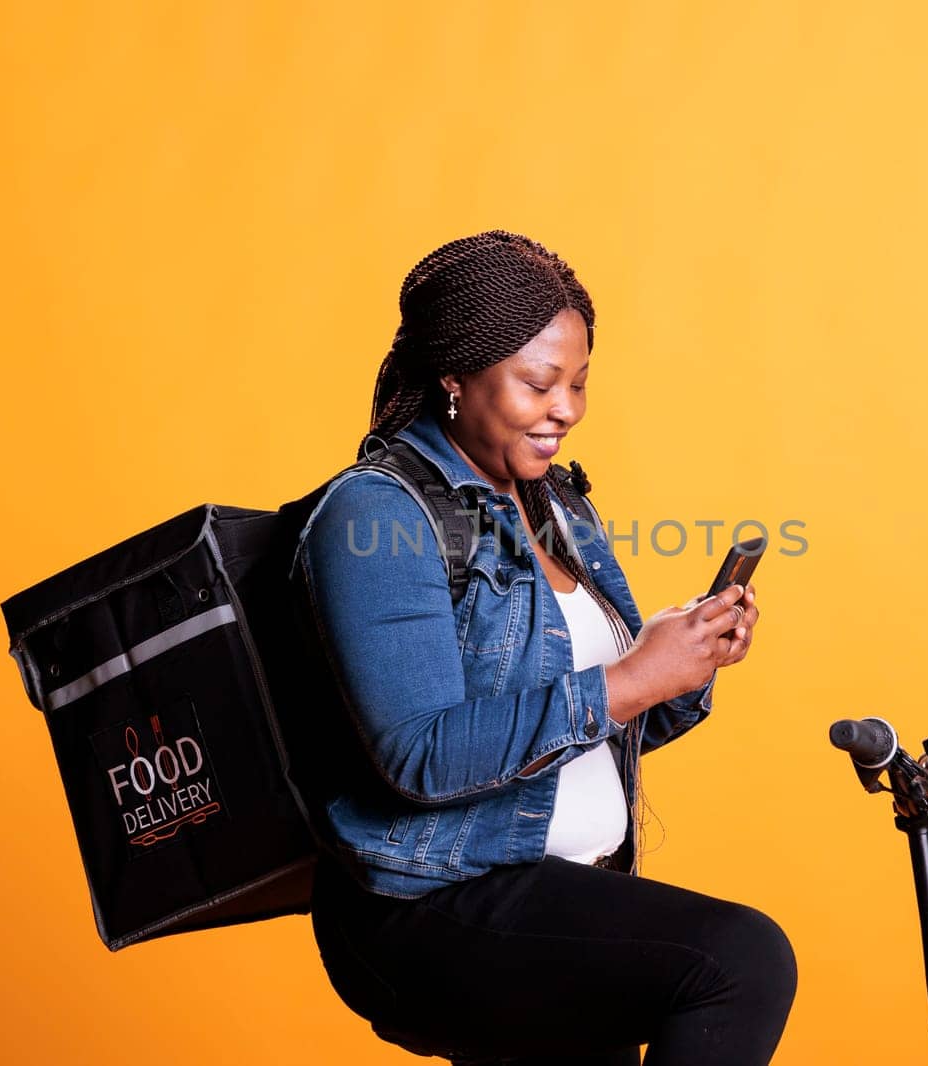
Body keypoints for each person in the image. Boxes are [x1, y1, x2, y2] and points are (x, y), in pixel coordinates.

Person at [293, 230, 796, 1065]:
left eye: (579, 383)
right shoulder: (375, 515)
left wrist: (682, 666)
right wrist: (628, 679)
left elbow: (598, 728)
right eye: (538, 383)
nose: (565, 408)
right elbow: (418, 756)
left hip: (567, 892)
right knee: (738, 959)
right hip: (429, 902)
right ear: (454, 377)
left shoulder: (557, 505)